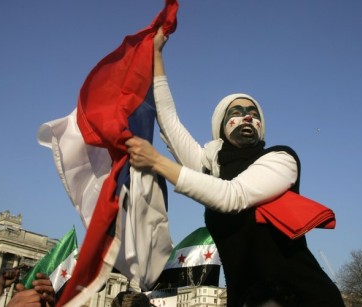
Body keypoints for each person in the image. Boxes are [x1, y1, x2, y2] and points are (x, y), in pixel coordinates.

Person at [125, 28, 345, 306]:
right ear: (221, 125)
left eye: (254, 115)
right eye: (237, 113)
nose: (247, 119)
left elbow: (233, 196)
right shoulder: (210, 167)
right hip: (247, 298)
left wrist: (157, 162)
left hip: (301, 297)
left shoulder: (282, 159)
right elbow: (168, 122)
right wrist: (157, 53)